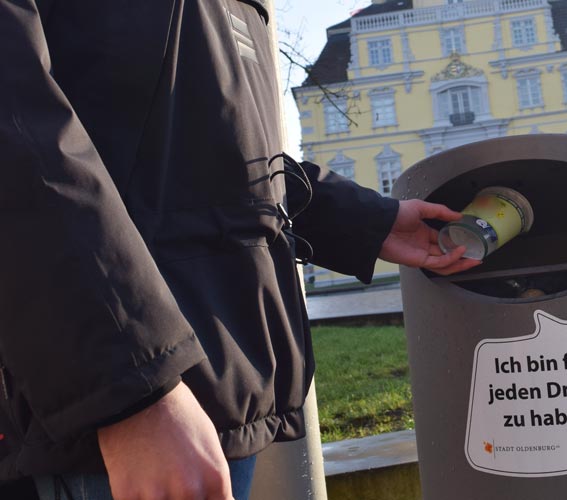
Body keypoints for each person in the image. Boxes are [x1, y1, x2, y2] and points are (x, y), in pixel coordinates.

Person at [0, 1, 480, 499]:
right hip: (112, 423)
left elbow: (213, 149)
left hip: (212, 396)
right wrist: (134, 394)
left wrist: (365, 222)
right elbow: (17, 144)